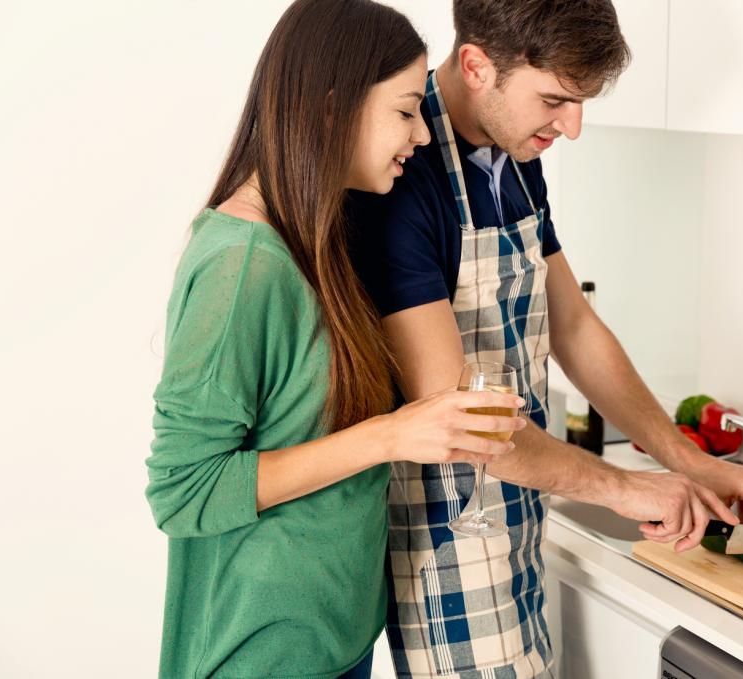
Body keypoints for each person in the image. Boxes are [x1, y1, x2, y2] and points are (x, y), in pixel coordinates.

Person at [347, 1, 743, 676]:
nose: (571, 126)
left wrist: (683, 456)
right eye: (554, 99)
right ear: (476, 65)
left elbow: (573, 325)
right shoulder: (406, 177)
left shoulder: (513, 150)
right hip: (448, 529)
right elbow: (457, 412)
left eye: (580, 102)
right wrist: (624, 489)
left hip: (521, 501)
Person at [144, 2, 529, 677]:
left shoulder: (317, 242)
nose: (418, 136)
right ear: (332, 108)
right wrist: (391, 434)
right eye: (405, 111)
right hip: (266, 652)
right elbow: (183, 491)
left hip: (331, 639)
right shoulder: (242, 265)